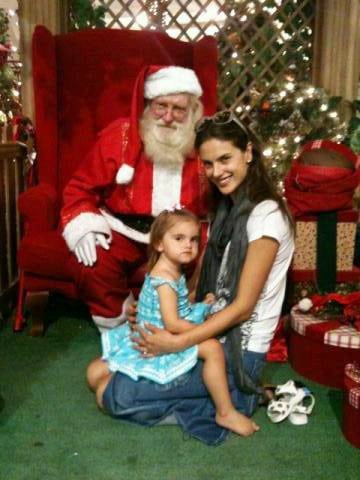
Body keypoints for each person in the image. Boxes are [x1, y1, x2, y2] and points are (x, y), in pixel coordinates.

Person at [87, 111, 295, 445]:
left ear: (249, 153)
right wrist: (154, 309)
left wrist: (177, 341)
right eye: (209, 164)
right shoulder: (226, 209)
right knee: (98, 369)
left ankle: (234, 397)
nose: (217, 172)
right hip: (209, 332)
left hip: (236, 353)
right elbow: (198, 289)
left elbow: (242, 308)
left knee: (108, 394)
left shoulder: (267, 217)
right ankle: (202, 394)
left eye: (225, 158)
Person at [60, 65, 209, 331]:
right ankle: (120, 324)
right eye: (160, 106)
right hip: (124, 231)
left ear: (193, 111)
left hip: (184, 233)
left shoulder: (205, 143)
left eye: (179, 109)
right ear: (148, 105)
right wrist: (84, 226)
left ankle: (180, 322)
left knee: (214, 263)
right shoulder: (120, 135)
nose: (168, 117)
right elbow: (80, 187)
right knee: (92, 261)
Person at [89, 208, 259, 437]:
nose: (188, 245)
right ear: (159, 244)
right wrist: (204, 330)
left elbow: (175, 304)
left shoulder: (170, 271)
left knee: (97, 371)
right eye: (179, 238)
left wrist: (197, 301)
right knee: (213, 349)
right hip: (162, 335)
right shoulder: (166, 278)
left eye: (193, 239)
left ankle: (107, 378)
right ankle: (225, 411)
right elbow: (173, 324)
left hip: (155, 329)